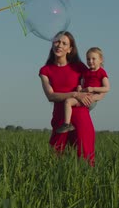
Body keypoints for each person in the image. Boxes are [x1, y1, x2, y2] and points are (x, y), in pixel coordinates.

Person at [38, 31, 105, 165]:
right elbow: (50, 96)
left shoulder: (80, 67)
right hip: (60, 119)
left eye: (64, 43)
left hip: (81, 117)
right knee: (55, 158)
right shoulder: (45, 70)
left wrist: (94, 97)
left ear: (70, 49)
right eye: (57, 42)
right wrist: (74, 94)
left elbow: (99, 87)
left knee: (85, 159)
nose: (59, 45)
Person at [55, 47, 110, 133]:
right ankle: (67, 124)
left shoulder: (101, 72)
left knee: (74, 107)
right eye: (88, 59)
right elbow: (82, 82)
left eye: (93, 59)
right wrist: (80, 87)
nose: (90, 61)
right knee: (67, 102)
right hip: (84, 95)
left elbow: (107, 88)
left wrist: (93, 89)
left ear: (101, 60)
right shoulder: (86, 72)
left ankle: (72, 124)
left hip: (92, 98)